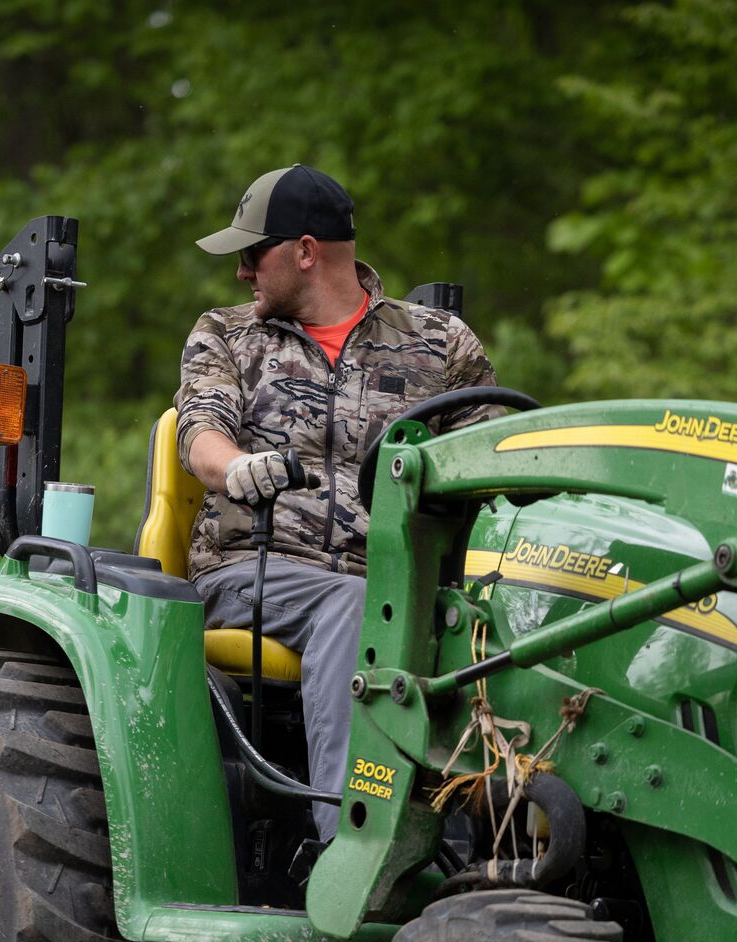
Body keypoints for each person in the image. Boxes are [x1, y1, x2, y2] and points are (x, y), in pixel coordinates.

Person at [175, 164, 499, 841]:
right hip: (251, 572)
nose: (241, 273)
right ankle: (348, 851)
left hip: (394, 583)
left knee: (512, 621)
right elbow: (201, 431)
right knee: (351, 606)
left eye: (249, 253)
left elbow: (496, 457)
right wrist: (238, 469)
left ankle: (505, 848)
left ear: (303, 251)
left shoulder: (438, 344)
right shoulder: (227, 335)